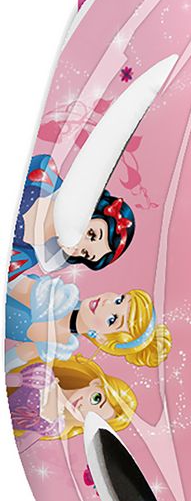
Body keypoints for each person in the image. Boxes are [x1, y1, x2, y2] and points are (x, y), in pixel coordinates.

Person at [9, 154, 135, 283]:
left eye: (85, 253)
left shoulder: (22, 260)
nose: (77, 245)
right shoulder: (44, 171)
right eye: (91, 234)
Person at [5, 275, 171, 372]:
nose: (107, 303)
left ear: (102, 338)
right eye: (119, 300)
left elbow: (11, 360)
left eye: (112, 319)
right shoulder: (56, 297)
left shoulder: (57, 346)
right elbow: (10, 275)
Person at [7, 355, 137, 450]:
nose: (83, 407)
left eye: (92, 415)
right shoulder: (42, 376)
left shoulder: (53, 427)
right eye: (96, 399)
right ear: (96, 383)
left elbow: (20, 443)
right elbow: (7, 380)